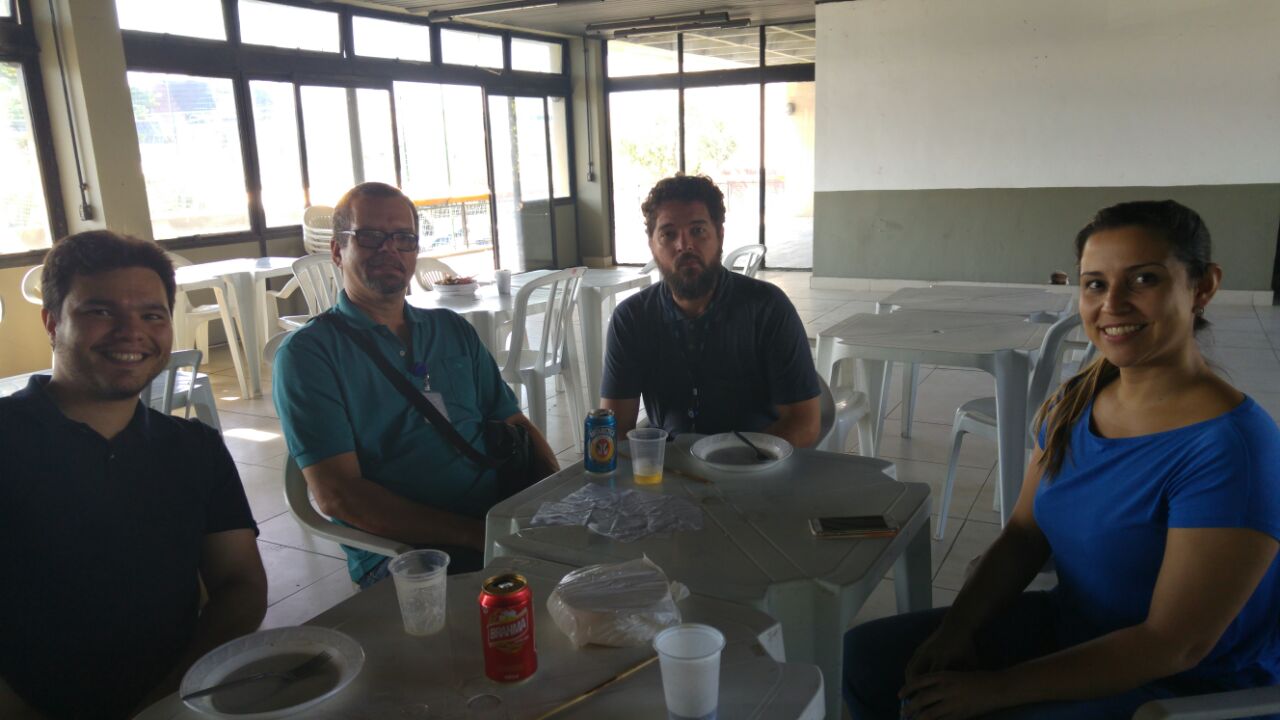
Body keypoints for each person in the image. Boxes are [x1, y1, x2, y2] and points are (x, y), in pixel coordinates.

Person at [843, 200, 1280, 719]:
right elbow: (1024, 535)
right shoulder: (1079, 401)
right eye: (1095, 284)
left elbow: (1171, 645)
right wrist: (955, 631)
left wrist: (994, 689)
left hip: (1178, 691)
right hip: (1074, 629)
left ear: (1203, 287)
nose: (1112, 304)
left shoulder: (1231, 450)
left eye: (1143, 279)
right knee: (865, 659)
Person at [0, 231, 267, 719]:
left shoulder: (194, 447)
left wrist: (169, 699)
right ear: (52, 323)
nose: (131, 332)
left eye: (152, 315)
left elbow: (241, 583)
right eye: (101, 311)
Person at [273, 182, 558, 587]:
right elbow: (339, 494)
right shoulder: (310, 355)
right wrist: (478, 536)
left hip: (497, 517)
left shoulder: (451, 329)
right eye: (370, 236)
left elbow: (514, 422)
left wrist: (554, 501)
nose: (389, 249)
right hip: (407, 552)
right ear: (337, 251)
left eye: (403, 238)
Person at [601, 174, 821, 447]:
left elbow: (804, 423)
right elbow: (615, 429)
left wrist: (736, 459)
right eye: (668, 234)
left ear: (720, 235)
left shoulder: (767, 308)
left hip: (757, 461)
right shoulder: (631, 319)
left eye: (698, 231)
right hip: (670, 466)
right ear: (652, 245)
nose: (684, 245)